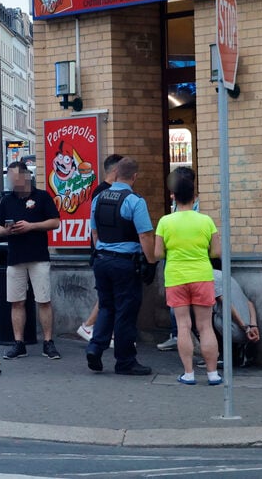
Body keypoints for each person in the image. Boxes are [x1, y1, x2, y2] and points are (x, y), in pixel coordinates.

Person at [86, 157, 155, 375]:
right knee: (126, 311)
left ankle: (95, 347)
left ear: (115, 174)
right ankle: (125, 361)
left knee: (106, 306)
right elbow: (144, 235)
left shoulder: (99, 198)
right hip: (124, 263)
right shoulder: (134, 200)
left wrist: (101, 254)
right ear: (134, 176)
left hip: (102, 260)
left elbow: (94, 232)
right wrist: (151, 262)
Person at [154, 172, 222, 385]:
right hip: (202, 275)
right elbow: (216, 252)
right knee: (205, 326)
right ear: (194, 197)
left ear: (173, 196)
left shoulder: (165, 222)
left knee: (183, 325)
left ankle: (189, 373)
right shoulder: (206, 221)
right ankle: (212, 374)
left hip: (176, 277)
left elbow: (157, 254)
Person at [0, 161, 62, 360]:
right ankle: (19, 343)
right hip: (15, 257)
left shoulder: (41, 197)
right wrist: (6, 230)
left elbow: (55, 222)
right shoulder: (7, 201)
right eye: (10, 179)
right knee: (16, 302)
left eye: (15, 178)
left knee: (43, 299)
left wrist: (31, 226)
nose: (12, 182)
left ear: (25, 177)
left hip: (38, 255)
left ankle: (48, 342)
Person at [78, 153, 123, 342]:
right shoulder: (102, 192)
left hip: (103, 253)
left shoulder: (102, 191)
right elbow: (96, 228)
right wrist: (100, 251)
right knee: (107, 295)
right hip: (104, 253)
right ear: (115, 171)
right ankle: (88, 325)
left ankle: (100, 329)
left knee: (109, 295)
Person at [157, 166, 198, 352]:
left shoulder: (194, 208)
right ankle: (179, 337)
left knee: (187, 318)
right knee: (184, 316)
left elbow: (157, 252)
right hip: (184, 264)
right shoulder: (177, 204)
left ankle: (189, 366)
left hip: (182, 263)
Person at [212, 269, 260, 366]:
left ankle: (220, 356)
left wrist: (245, 328)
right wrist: (253, 326)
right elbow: (249, 303)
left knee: (203, 315)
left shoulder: (213, 279)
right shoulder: (225, 276)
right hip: (249, 331)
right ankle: (239, 351)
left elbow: (227, 304)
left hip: (238, 331)